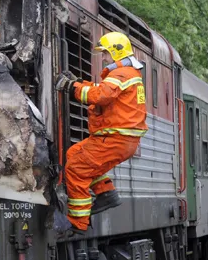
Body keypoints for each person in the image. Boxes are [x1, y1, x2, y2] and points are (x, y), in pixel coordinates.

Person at [53, 32, 148, 233]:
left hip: (114, 138)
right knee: (74, 154)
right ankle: (106, 194)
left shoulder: (121, 74)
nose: (103, 57)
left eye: (105, 53)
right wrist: (78, 82)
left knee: (76, 168)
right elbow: (101, 89)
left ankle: (78, 223)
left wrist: (71, 88)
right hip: (121, 140)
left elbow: (100, 95)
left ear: (115, 52)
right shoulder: (128, 74)